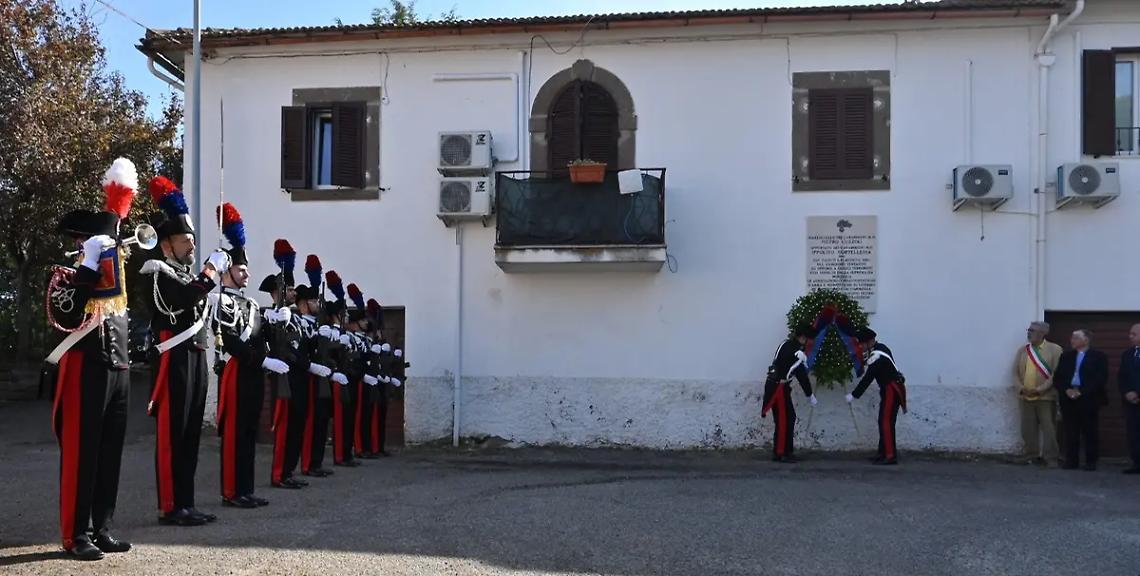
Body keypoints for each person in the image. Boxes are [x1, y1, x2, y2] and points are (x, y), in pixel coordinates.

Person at [45, 159, 140, 560]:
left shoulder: (114, 279)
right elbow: (65, 314)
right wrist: (86, 267)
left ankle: (101, 527)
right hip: (84, 368)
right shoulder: (66, 274)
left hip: (117, 369)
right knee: (81, 452)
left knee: (109, 452)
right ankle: (75, 534)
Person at [141, 176, 226, 527]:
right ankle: (170, 505)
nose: (192, 244)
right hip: (173, 357)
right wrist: (209, 271)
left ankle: (186, 503)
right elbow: (180, 300)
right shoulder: (157, 271)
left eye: (192, 239)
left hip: (195, 355)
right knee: (172, 433)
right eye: (184, 239)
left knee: (191, 433)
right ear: (167, 245)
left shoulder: (185, 274)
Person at [211, 203, 288, 508]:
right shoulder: (219, 301)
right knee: (235, 433)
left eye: (246, 269)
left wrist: (279, 320)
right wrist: (263, 360)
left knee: (250, 431)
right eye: (242, 269)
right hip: (236, 372)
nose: (247, 274)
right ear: (228, 270)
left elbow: (263, 337)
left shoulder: (252, 306)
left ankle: (246, 488)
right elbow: (231, 342)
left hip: (253, 373)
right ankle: (232, 491)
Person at [847, 328, 906, 465]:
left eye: (862, 344)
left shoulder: (877, 356)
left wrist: (854, 395)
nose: (860, 346)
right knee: (883, 421)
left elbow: (868, 378)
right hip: (889, 388)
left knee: (886, 422)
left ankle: (890, 455)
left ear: (869, 342)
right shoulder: (881, 348)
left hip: (891, 389)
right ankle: (883, 452)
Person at [761, 323, 817, 463]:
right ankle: (782, 453)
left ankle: (784, 451)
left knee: (787, 418)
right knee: (784, 420)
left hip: (780, 387)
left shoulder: (787, 345)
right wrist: (809, 394)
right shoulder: (795, 352)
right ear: (803, 337)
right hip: (778, 388)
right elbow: (801, 375)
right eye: (808, 339)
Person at [1053, 329, 1108, 471]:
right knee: (1071, 431)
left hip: (1088, 399)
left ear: (1086, 340)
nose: (1072, 340)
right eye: (1072, 337)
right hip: (1069, 398)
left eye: (1076, 337)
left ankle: (1091, 461)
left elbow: (1100, 378)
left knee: (1090, 431)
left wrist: (1081, 391)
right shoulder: (1066, 356)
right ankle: (1071, 460)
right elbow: (1058, 377)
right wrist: (1067, 389)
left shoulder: (1099, 357)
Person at [1014, 321, 1064, 467]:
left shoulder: (1055, 349)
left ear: (1043, 333)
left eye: (1033, 330)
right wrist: (1021, 388)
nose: (1029, 333)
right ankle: (1030, 454)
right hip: (1025, 395)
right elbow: (1015, 372)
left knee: (1049, 428)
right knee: (1027, 428)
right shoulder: (1023, 350)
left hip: (1045, 396)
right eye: (1029, 330)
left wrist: (1040, 389)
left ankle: (1051, 457)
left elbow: (1056, 373)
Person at [1119, 324, 1140, 475]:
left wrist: (1138, 393)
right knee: (1133, 432)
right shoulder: (1127, 354)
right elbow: (1122, 376)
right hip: (1131, 402)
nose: (1130, 336)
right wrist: (1127, 392)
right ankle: (1137, 462)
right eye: (1130, 333)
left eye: (1134, 334)